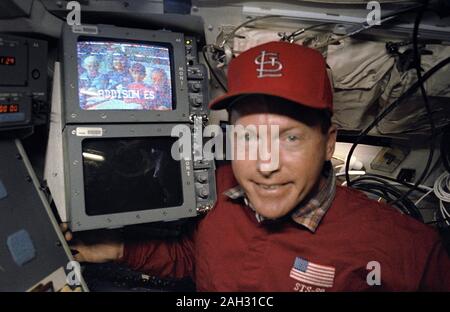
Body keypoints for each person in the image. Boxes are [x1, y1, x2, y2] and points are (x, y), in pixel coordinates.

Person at [66, 41, 450, 291]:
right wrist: (121, 250)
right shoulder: (217, 188)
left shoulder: (410, 252)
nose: (265, 166)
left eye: (290, 137)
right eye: (248, 137)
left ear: (329, 142)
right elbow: (195, 259)